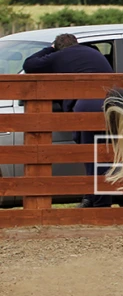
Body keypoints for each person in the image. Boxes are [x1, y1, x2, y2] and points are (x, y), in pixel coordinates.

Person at [23, 33, 115, 208]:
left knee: (93, 157)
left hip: (88, 107)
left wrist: (50, 49)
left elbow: (29, 65)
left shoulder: (58, 56)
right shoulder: (93, 52)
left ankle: (101, 205)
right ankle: (91, 199)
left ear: (57, 48)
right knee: (100, 155)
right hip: (111, 104)